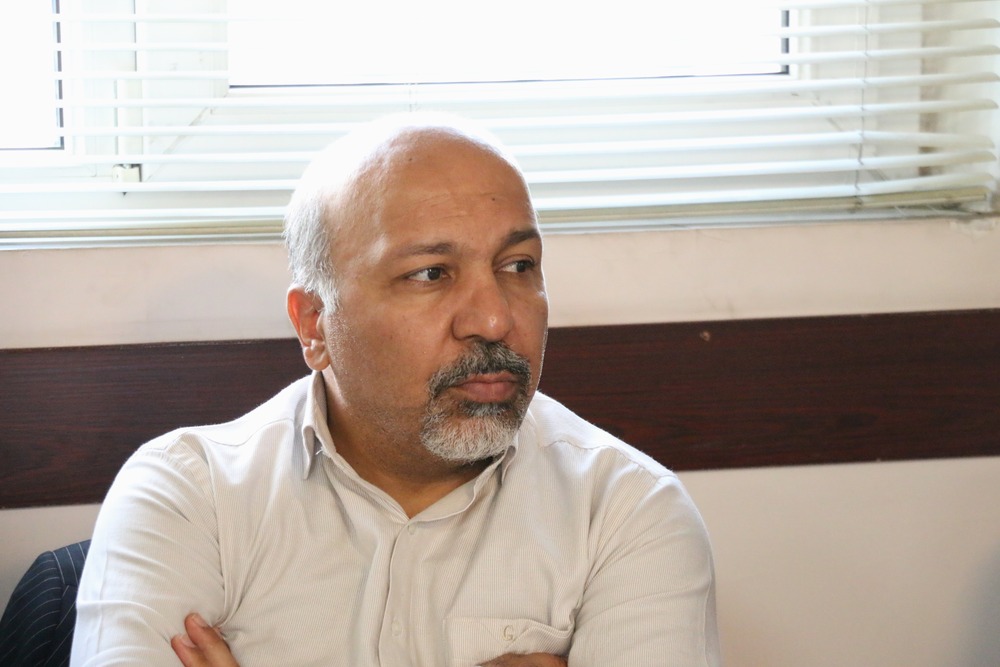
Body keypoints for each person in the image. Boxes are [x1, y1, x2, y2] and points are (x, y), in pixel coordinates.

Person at [71, 113, 721, 667]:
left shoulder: (628, 512)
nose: (494, 319)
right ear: (315, 324)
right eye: (431, 273)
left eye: (518, 265)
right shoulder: (189, 495)